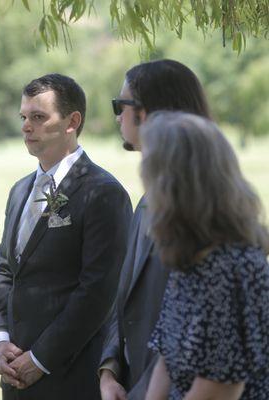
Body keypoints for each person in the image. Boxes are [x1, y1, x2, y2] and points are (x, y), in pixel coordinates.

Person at [0, 73, 132, 399]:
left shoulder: (103, 192)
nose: (26, 126)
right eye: (24, 117)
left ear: (72, 121)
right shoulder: (20, 190)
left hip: (71, 373)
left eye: (38, 117)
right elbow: (4, 270)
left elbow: (98, 291)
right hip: (13, 370)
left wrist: (40, 359)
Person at [99, 59, 211, 400]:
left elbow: (200, 327)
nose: (117, 115)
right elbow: (126, 300)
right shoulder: (149, 199)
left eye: (121, 105)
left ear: (150, 113)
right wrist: (109, 370)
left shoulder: (201, 210)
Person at [139, 112, 269, 399]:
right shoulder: (192, 256)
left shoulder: (232, 268)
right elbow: (167, 358)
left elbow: (219, 387)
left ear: (174, 185)